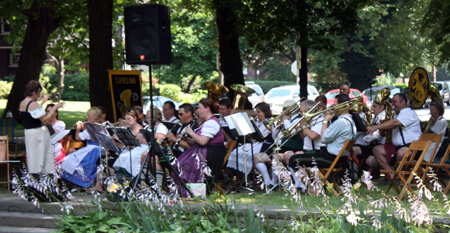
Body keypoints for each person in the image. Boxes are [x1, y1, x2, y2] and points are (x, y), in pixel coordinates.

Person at [171, 98, 226, 196]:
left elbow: (203, 141)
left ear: (207, 109)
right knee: (178, 164)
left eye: (200, 108)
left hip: (212, 154)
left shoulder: (212, 123)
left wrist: (191, 133)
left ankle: (193, 192)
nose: (198, 111)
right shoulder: (204, 122)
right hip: (204, 151)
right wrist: (188, 140)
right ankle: (185, 192)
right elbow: (198, 141)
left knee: (182, 165)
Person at [289, 94, 356, 173]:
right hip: (339, 158)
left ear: (342, 106)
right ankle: (312, 184)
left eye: (335, 105)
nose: (333, 107)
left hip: (331, 158)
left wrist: (325, 120)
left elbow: (323, 139)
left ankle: (310, 185)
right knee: (299, 158)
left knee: (293, 159)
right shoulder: (350, 120)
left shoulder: (340, 122)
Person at [366, 93, 421, 177]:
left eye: (395, 102)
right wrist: (383, 125)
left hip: (411, 147)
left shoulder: (409, 113)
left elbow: (395, 123)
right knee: (377, 149)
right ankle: (392, 175)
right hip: (396, 147)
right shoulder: (395, 115)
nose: (392, 104)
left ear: (403, 102)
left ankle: (401, 176)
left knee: (401, 153)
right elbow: (382, 133)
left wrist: (376, 126)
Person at [252, 100, 304, 188]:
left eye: (285, 108)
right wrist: (277, 128)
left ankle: (294, 184)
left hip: (291, 147)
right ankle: (268, 183)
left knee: (276, 158)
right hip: (278, 146)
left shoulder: (299, 118)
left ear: (291, 109)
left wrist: (285, 121)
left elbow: (291, 132)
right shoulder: (287, 119)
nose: (282, 110)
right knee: (257, 157)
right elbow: (273, 136)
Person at [19, 80, 65, 174]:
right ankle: (43, 180)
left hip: (29, 133)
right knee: (42, 158)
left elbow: (34, 111)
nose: (39, 96)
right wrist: (55, 107)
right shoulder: (33, 104)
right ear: (33, 93)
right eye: (38, 94)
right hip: (38, 134)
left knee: (33, 157)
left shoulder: (22, 103)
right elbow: (45, 120)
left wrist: (44, 100)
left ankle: (34, 178)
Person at [278, 100, 324, 191]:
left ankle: (312, 188)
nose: (301, 115)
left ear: (310, 110)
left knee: (294, 160)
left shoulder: (320, 120)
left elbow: (313, 136)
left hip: (319, 152)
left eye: (302, 112)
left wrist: (304, 127)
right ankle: (312, 187)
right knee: (294, 160)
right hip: (309, 152)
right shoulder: (310, 120)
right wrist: (301, 132)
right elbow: (305, 139)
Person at [226, 102, 273, 188]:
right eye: (256, 111)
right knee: (235, 152)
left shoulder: (269, 122)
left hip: (263, 145)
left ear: (264, 112)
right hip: (254, 143)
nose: (256, 114)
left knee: (245, 154)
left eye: (258, 112)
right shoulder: (258, 121)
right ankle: (239, 181)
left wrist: (251, 133)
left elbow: (262, 136)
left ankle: (251, 180)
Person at [60, 107, 105, 191]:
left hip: (92, 151)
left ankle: (83, 184)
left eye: (89, 116)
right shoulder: (101, 126)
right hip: (99, 150)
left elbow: (77, 137)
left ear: (95, 118)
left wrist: (78, 127)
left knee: (68, 160)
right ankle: (83, 185)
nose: (87, 118)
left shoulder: (92, 128)